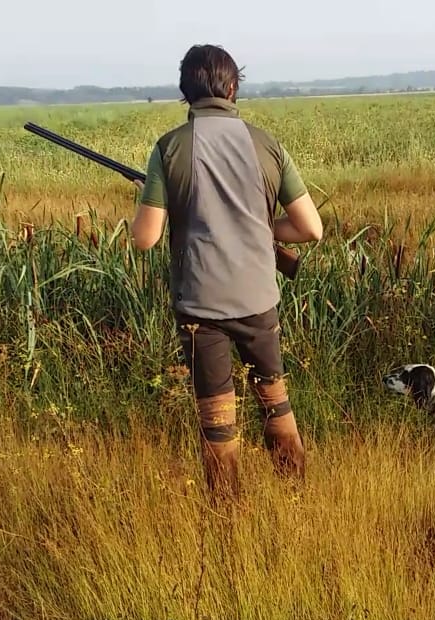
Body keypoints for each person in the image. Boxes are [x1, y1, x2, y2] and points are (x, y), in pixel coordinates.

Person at [128, 44, 324, 499]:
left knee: (217, 419)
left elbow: (145, 238)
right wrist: (260, 226)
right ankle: (298, 498)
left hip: (201, 307)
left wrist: (150, 197)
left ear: (185, 92)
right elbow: (310, 229)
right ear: (233, 88)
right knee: (275, 401)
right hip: (259, 300)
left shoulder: (170, 148)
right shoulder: (266, 145)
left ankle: (226, 514)